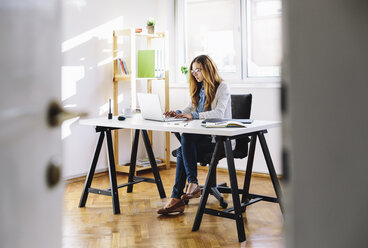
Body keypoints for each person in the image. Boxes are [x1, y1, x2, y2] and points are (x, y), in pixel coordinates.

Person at [157, 55, 232, 215]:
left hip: (218, 139)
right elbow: (189, 109)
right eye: (193, 71)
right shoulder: (199, 88)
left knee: (183, 150)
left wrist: (195, 116)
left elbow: (219, 113)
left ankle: (177, 198)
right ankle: (191, 185)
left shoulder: (222, 87)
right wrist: (176, 113)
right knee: (186, 140)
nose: (195, 74)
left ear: (208, 69)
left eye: (198, 70)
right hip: (201, 137)